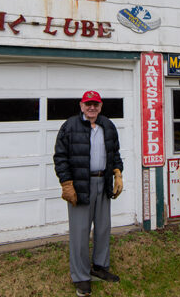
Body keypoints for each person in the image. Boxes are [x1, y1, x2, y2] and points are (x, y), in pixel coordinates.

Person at [53, 90, 124, 297]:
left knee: (103, 228)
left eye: (96, 104)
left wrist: (117, 173)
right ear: (81, 105)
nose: (92, 107)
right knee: (80, 232)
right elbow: (60, 157)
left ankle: (100, 267)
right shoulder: (69, 126)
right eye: (88, 104)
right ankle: (81, 277)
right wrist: (66, 183)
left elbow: (115, 153)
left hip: (103, 182)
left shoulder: (108, 126)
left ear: (100, 106)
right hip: (80, 186)